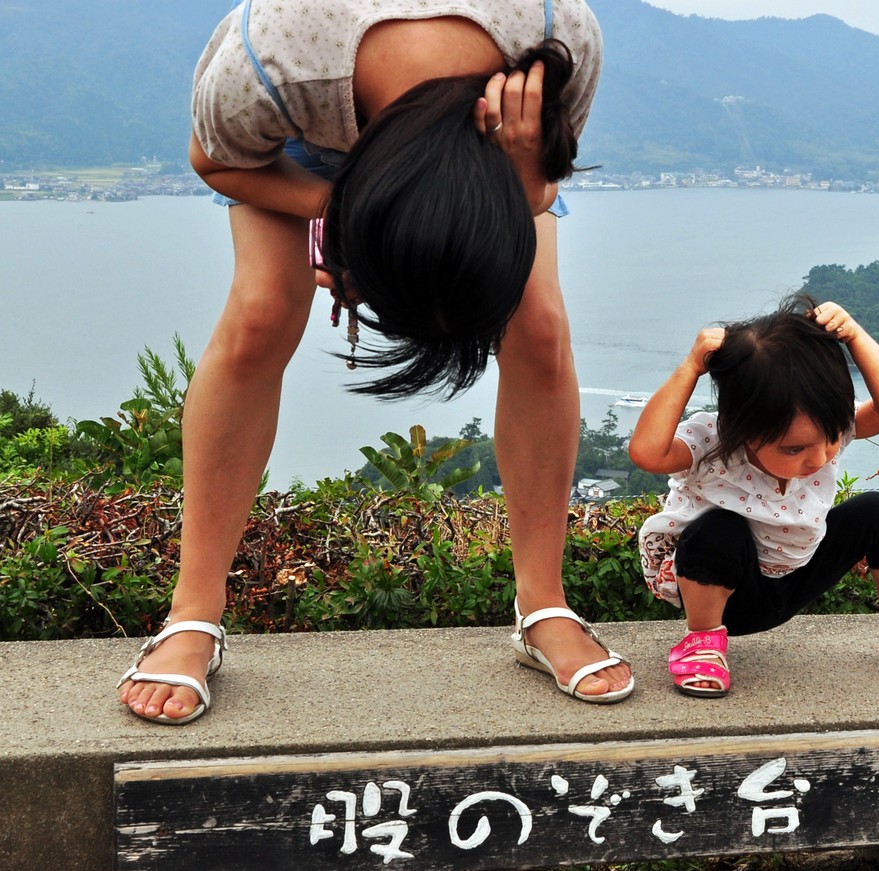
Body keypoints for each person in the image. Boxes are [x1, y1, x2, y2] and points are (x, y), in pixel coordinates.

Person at [118, 0, 634, 725]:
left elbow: (540, 190)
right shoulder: (272, 60)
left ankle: (542, 603)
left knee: (540, 326)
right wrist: (360, 217)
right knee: (261, 315)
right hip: (292, 153)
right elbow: (217, 161)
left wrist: (519, 177)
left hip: (489, 160)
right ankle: (191, 614)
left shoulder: (555, 35)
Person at [628, 295, 879, 698]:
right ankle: (702, 642)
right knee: (718, 530)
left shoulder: (820, 430)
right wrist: (691, 366)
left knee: (878, 512)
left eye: (830, 440)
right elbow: (647, 452)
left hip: (799, 575)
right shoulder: (713, 444)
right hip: (730, 594)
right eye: (794, 449)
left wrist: (854, 336)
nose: (819, 457)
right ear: (742, 428)